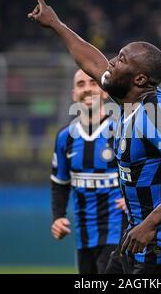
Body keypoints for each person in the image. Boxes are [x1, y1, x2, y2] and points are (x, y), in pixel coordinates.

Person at [29, 0, 161, 274]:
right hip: (134, 245)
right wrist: (55, 24)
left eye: (122, 60)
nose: (112, 62)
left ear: (139, 79)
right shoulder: (128, 97)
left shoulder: (153, 115)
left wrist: (150, 224)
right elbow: (92, 63)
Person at [50, 69, 126, 274]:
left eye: (93, 83)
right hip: (84, 236)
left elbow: (143, 173)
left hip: (118, 233)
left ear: (103, 91)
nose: (87, 89)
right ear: (74, 93)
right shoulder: (65, 138)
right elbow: (59, 183)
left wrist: (133, 200)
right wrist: (58, 217)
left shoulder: (121, 131)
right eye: (81, 84)